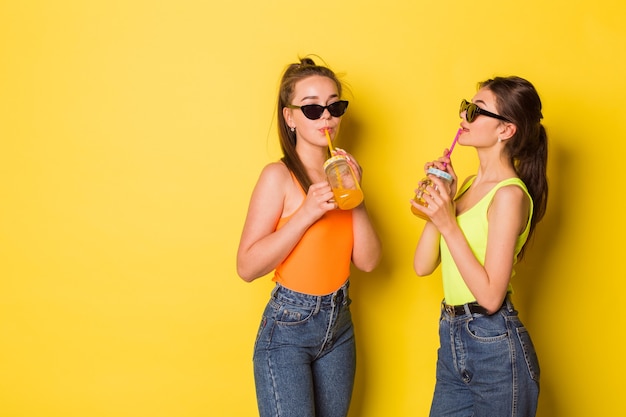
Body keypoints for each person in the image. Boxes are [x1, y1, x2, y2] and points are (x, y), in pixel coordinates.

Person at [236, 57, 382, 417]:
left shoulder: (345, 172)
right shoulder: (279, 176)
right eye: (313, 108)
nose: (326, 117)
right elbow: (246, 266)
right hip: (288, 328)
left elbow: (369, 261)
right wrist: (306, 214)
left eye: (334, 106)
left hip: (339, 324)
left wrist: (356, 195)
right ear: (290, 117)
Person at [411, 76, 547, 417]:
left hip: (494, 346)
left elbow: (489, 297)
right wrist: (443, 199)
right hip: (453, 338)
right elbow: (422, 265)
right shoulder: (470, 185)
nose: (464, 117)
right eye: (465, 107)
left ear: (506, 130)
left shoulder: (510, 196)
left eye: (476, 111)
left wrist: (447, 223)